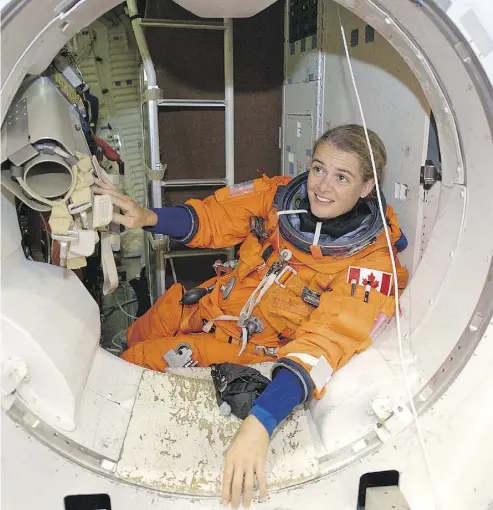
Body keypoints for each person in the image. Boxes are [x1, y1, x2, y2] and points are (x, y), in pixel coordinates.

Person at [92, 124, 409, 509]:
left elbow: (324, 344)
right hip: (215, 300)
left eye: (341, 177)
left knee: (142, 360)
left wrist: (261, 422)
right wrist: (146, 217)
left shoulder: (372, 265)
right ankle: (113, 349)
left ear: (366, 188)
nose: (322, 186)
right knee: (153, 321)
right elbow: (213, 218)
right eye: (318, 168)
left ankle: (106, 426)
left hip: (247, 343)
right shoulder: (279, 197)